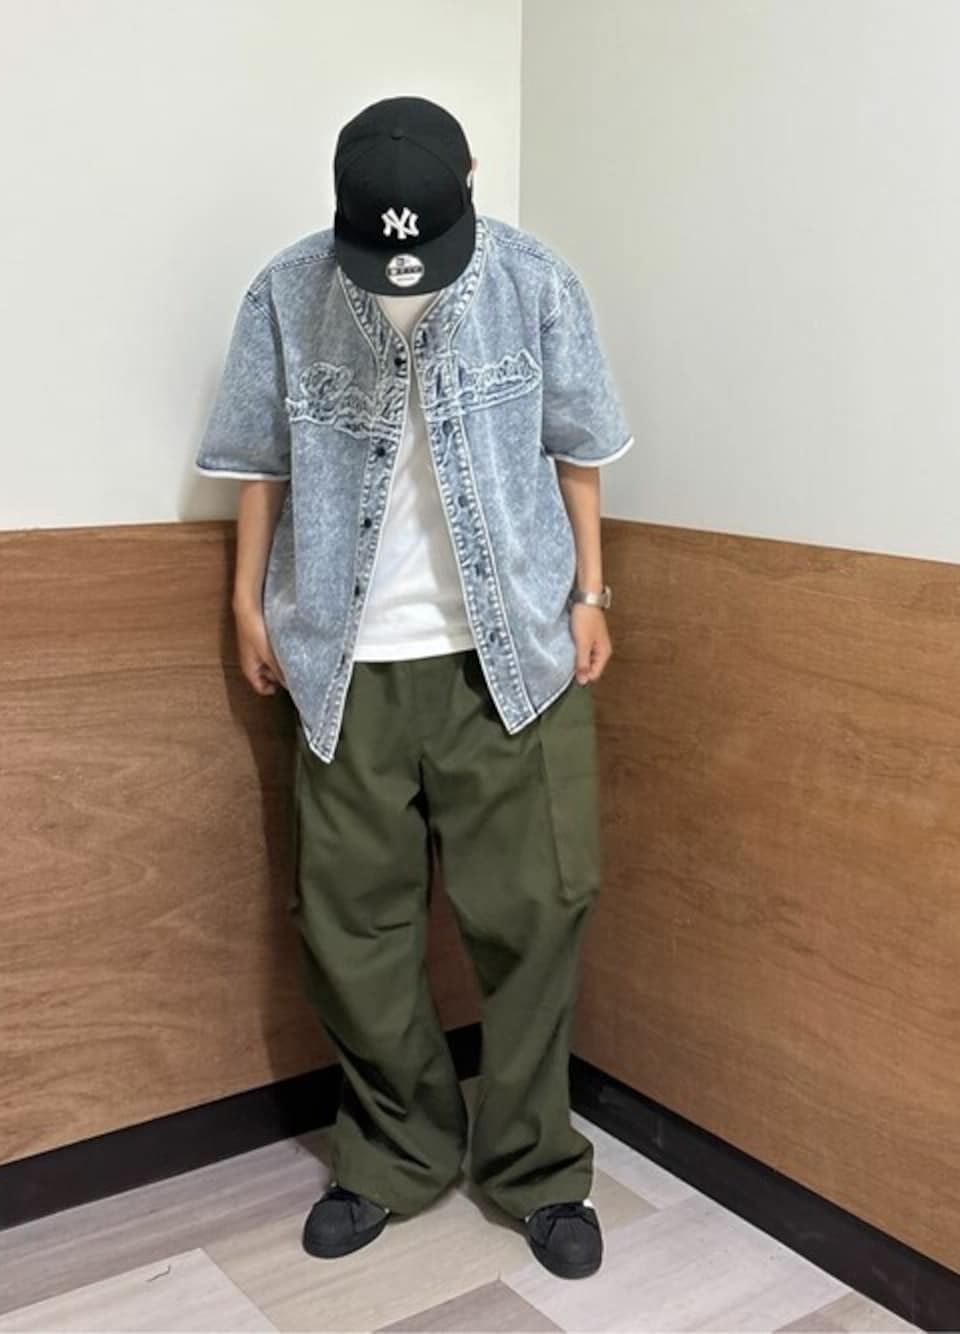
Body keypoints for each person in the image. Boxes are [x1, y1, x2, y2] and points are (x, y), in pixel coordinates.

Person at [194, 94, 634, 1281]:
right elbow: (258, 461)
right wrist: (246, 600)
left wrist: (591, 592)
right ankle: (393, 1155)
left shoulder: (535, 281)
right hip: (344, 661)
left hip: (513, 656)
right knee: (350, 925)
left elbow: (577, 447)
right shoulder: (286, 291)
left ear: (470, 177)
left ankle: (536, 1168)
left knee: (537, 910)